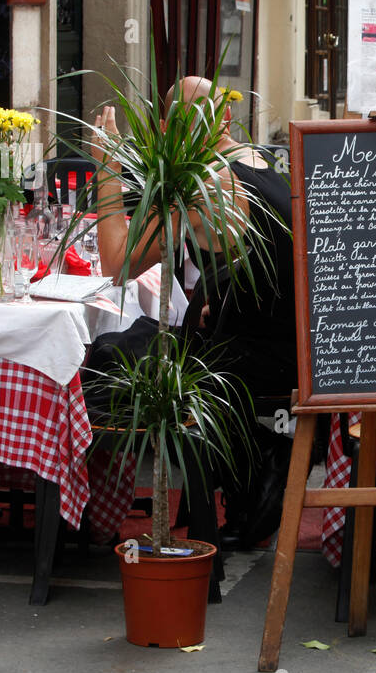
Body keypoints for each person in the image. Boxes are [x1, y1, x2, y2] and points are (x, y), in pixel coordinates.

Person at [91, 76, 296, 546]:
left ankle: (255, 462)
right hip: (292, 341)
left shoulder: (204, 183)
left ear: (165, 128)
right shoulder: (261, 162)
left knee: (107, 358)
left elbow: (117, 264)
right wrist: (217, 300)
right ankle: (253, 471)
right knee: (149, 333)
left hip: (251, 357)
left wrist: (106, 169)